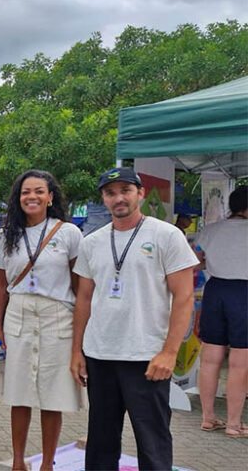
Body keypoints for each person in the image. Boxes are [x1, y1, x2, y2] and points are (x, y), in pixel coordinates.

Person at [71, 167, 198, 470]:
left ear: (140, 193)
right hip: (100, 354)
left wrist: (169, 352)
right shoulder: (92, 242)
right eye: (110, 193)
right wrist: (77, 350)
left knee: (152, 440)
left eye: (125, 190)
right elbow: (84, 299)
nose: (118, 198)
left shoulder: (166, 235)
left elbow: (184, 298)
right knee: (101, 440)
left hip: (147, 356)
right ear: (104, 198)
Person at [0, 170, 83, 471]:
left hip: (57, 316)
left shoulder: (68, 233)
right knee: (20, 393)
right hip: (18, 314)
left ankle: (47, 463)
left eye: (39, 191)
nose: (32, 196)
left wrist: (82, 334)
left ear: (51, 196)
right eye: (25, 191)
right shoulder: (5, 235)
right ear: (18, 197)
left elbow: (79, 286)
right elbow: (0, 286)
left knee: (53, 395)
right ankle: (18, 461)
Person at [194, 185, 247, 437]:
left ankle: (208, 418)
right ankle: (234, 424)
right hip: (244, 293)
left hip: (215, 291)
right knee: (240, 363)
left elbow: (198, 260)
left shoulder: (211, 230)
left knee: (210, 358)